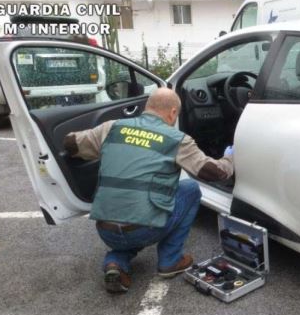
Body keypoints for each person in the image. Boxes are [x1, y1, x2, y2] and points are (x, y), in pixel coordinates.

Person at [63, 87, 234, 293]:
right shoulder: (177, 139)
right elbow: (213, 173)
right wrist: (229, 158)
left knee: (128, 219)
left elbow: (70, 144)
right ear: (172, 113)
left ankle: (116, 264)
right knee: (190, 189)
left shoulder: (111, 128)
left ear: (147, 107)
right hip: (143, 230)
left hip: (105, 230)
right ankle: (170, 261)